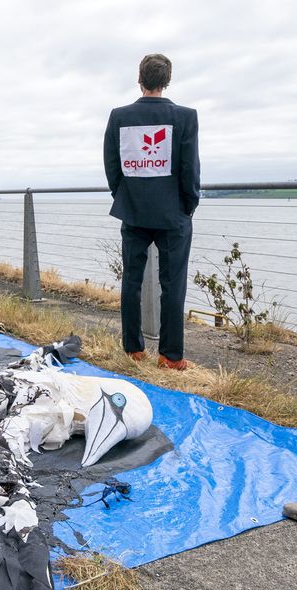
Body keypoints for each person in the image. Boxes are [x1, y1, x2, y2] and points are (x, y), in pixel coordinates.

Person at [103, 53, 200, 371]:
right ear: (167, 81)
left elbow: (112, 165)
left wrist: (125, 196)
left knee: (131, 280)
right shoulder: (185, 116)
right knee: (173, 283)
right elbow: (189, 168)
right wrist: (189, 204)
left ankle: (133, 349)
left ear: (140, 79)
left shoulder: (119, 116)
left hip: (133, 211)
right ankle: (171, 356)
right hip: (173, 214)